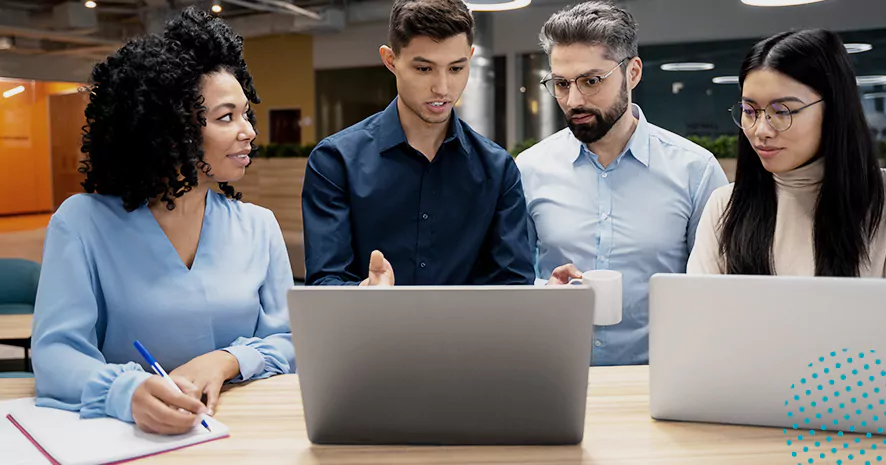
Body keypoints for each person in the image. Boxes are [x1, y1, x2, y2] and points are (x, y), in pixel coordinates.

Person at [31, 7, 295, 435]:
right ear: (170, 130)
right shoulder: (82, 223)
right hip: (129, 436)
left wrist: (226, 360)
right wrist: (127, 392)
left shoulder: (259, 227)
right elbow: (56, 355)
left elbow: (291, 339)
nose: (248, 131)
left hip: (248, 429)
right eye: (226, 117)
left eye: (246, 114)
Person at [515, 0, 728, 366]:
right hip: (554, 373)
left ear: (632, 72)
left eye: (591, 81)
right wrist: (543, 292)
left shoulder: (696, 171)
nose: (573, 100)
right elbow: (510, 280)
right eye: (561, 84)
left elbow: (721, 292)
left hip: (663, 378)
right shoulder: (529, 169)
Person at [302, 0, 533, 287]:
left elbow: (513, 285)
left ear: (470, 58)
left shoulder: (498, 170)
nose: (443, 88)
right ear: (390, 60)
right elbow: (325, 279)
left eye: (456, 68)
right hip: (368, 329)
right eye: (424, 69)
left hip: (469, 332)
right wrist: (363, 295)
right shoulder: (335, 161)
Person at [687, 29, 886, 278]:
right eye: (749, 110)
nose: (761, 130)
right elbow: (702, 311)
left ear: (834, 110)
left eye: (784, 111)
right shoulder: (725, 206)